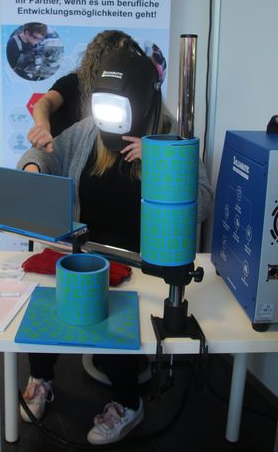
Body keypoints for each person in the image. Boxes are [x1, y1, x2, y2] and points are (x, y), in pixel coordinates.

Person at [17, 41, 213, 445]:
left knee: (118, 313)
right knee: (49, 297)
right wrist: (34, 164)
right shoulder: (91, 129)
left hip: (141, 259)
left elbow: (203, 202)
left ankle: (127, 403)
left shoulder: (172, 137)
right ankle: (41, 378)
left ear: (142, 100)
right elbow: (49, 155)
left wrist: (161, 161)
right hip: (87, 246)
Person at [27, 30, 154, 153]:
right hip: (62, 156)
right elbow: (45, 103)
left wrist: (149, 150)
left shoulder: (132, 94)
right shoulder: (73, 82)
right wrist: (42, 125)